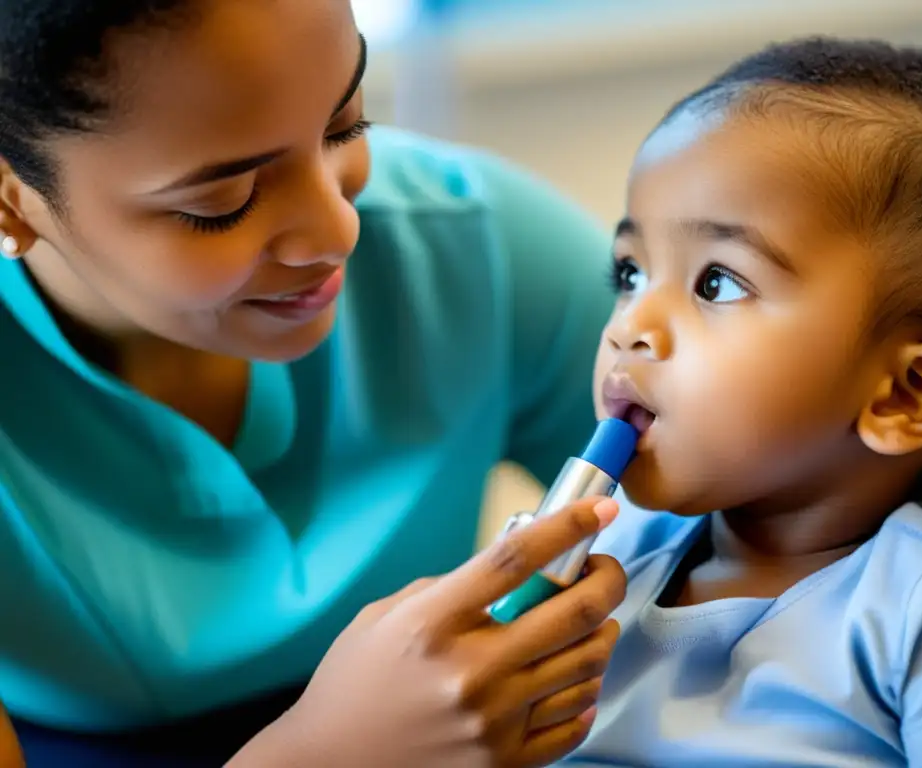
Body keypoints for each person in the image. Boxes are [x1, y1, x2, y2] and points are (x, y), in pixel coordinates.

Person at [0, 1, 627, 765]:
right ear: (10, 197)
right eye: (221, 204)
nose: (339, 232)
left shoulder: (472, 243)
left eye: (345, 126)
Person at [557, 38, 922, 767]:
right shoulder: (608, 559)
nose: (630, 329)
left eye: (717, 282)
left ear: (906, 394)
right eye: (631, 273)